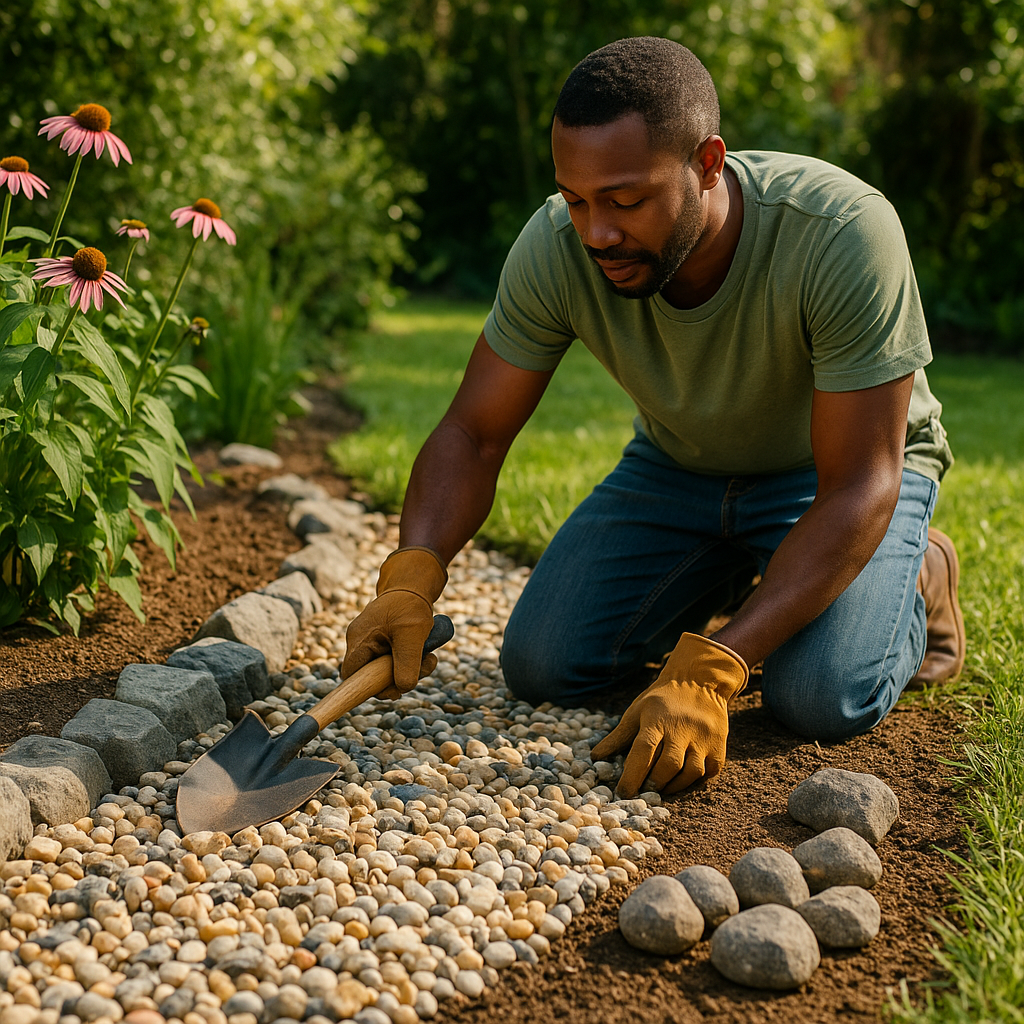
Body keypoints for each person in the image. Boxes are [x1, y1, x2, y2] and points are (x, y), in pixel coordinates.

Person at [342, 37, 965, 799]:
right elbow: (473, 434)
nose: (597, 232)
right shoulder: (557, 246)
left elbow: (862, 482)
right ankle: (750, 580)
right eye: (576, 199)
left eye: (626, 200)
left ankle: (921, 573)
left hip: (829, 481)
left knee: (820, 695)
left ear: (707, 163)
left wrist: (715, 667)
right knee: (544, 664)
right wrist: (412, 577)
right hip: (679, 468)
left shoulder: (839, 233)